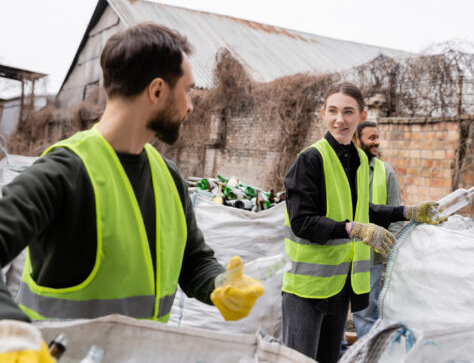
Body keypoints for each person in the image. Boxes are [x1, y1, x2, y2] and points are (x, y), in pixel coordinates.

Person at [0, 22, 262, 325]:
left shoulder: (169, 177)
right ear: (157, 90)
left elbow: (193, 260)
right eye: (188, 91)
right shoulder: (65, 172)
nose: (191, 106)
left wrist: (219, 284)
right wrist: (10, 330)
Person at [282, 82, 443, 363]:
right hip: (305, 290)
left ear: (361, 115)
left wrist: (408, 212)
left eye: (348, 112)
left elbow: (362, 211)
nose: (339, 119)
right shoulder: (310, 160)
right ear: (323, 113)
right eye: (332, 111)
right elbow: (302, 222)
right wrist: (352, 229)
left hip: (340, 288)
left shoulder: (356, 159)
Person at [352, 121, 403, 339]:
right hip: (338, 253)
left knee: (365, 312)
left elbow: (397, 214)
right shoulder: (344, 169)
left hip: (370, 257)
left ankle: (367, 355)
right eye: (371, 138)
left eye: (377, 137)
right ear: (358, 140)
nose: (377, 142)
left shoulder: (385, 172)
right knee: (332, 310)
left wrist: (389, 250)